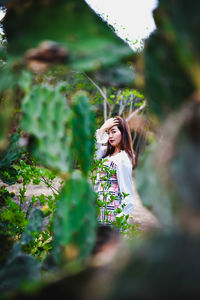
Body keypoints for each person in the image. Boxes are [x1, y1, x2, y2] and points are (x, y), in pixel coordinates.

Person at [94, 116, 135, 225]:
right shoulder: (106, 154)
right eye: (108, 133)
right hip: (99, 212)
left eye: (113, 132)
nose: (110, 136)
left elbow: (127, 193)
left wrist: (120, 219)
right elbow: (91, 152)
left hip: (112, 216)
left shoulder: (123, 158)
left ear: (123, 133)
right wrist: (102, 129)